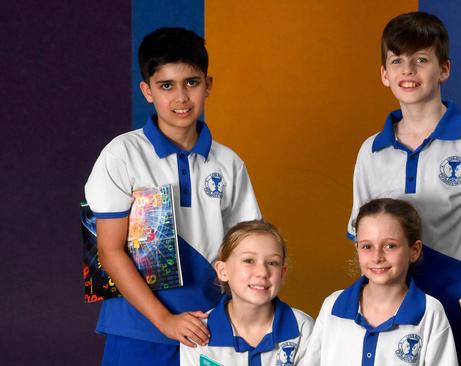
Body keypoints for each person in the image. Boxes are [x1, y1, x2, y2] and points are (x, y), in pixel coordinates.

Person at [84, 27, 261, 365]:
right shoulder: (122, 154)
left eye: (191, 83)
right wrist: (164, 320)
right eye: (167, 85)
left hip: (208, 326)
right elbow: (108, 251)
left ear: (208, 85)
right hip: (137, 328)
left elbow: (247, 250)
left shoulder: (229, 163)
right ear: (147, 91)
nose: (181, 97)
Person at [347, 12, 461, 366]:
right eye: (397, 61)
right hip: (394, 302)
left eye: (420, 59)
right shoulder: (371, 152)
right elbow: (365, 243)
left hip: (455, 299)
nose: (408, 71)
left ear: (444, 70)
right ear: (384, 74)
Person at [306, 198, 458, 365]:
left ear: (414, 251)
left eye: (390, 246)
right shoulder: (332, 307)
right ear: (357, 249)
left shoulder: (430, 313)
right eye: (367, 246)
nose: (377, 257)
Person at [180, 220, 314, 365]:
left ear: (282, 274)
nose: (262, 272)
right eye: (249, 260)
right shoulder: (198, 332)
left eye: (272, 263)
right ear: (223, 271)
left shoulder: (303, 328)